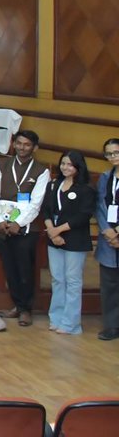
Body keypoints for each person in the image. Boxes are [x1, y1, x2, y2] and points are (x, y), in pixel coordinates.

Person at [0, 128, 50, 326]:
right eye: (19, 143)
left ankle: (26, 309)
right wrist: (0, 220)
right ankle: (17, 304)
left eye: (27, 145)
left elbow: (36, 203)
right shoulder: (1, 163)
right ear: (13, 144)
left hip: (26, 228)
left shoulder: (41, 170)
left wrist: (18, 223)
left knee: (25, 269)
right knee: (9, 267)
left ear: (35, 148)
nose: (22, 147)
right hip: (1, 225)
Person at [42, 150, 96, 335]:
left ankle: (70, 323)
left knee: (72, 280)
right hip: (54, 238)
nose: (66, 167)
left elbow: (83, 215)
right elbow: (46, 209)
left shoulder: (86, 189)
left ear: (78, 167)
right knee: (58, 279)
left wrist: (59, 229)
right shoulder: (54, 185)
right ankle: (56, 318)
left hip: (75, 239)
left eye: (70, 164)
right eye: (63, 163)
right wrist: (51, 230)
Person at [98, 138, 119, 341]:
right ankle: (111, 326)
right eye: (109, 154)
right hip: (108, 237)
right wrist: (107, 230)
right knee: (109, 283)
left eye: (116, 152)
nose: (113, 157)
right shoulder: (106, 177)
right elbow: (100, 205)